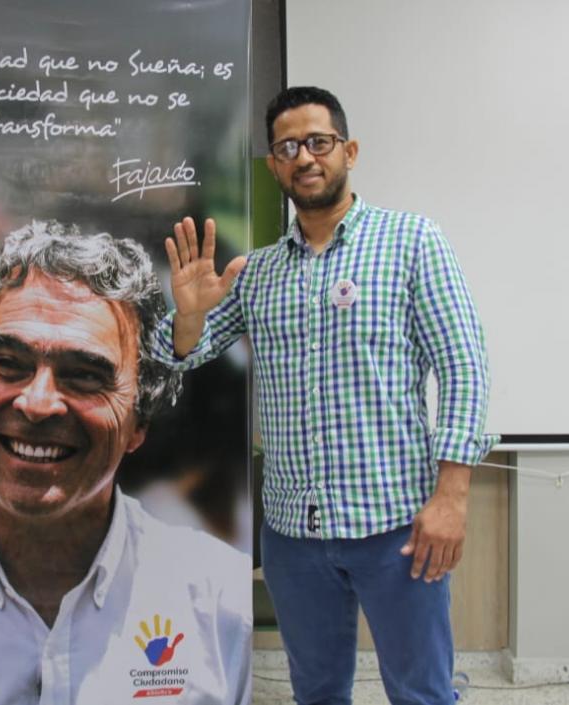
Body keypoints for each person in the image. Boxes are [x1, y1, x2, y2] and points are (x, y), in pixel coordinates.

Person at [154, 86, 497, 705]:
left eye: (319, 141)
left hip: (397, 527)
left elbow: (464, 368)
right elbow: (180, 359)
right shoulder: (256, 273)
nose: (305, 156)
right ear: (273, 165)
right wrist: (186, 318)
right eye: (288, 147)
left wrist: (452, 498)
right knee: (315, 692)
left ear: (350, 150)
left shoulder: (412, 242)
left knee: (421, 692)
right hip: (293, 534)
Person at [0, 222, 252, 705]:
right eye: (7, 362)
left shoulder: (218, 602)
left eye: (85, 375)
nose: (38, 403)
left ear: (139, 420)